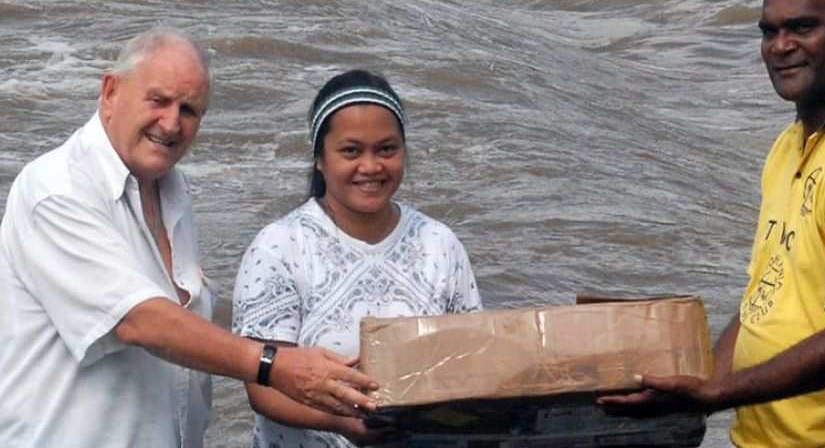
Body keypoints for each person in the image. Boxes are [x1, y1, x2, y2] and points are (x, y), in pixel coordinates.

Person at [0, 27, 377, 448]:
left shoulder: (171, 190)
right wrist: (273, 363)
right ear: (110, 91)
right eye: (158, 100)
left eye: (189, 110)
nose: (171, 123)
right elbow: (140, 321)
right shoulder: (55, 190)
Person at [599, 0, 825, 445]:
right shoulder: (791, 144)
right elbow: (764, 298)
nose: (780, 46)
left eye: (803, 27)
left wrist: (715, 394)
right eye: (769, 31)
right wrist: (691, 383)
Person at [232, 69, 483, 447]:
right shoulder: (280, 247)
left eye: (387, 149)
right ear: (320, 159)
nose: (371, 167)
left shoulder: (439, 244)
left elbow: (477, 359)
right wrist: (344, 424)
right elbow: (262, 387)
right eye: (351, 151)